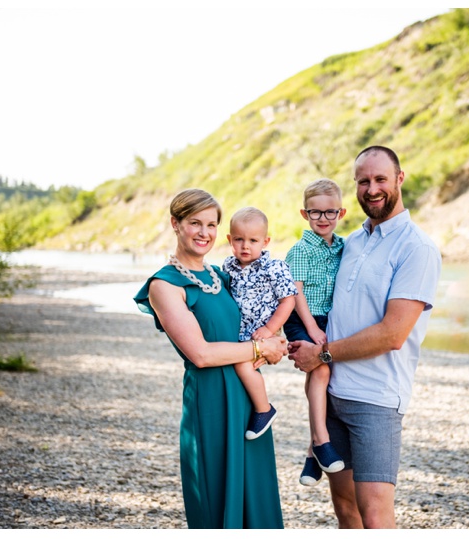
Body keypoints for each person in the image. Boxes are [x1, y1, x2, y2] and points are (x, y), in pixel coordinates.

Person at [288, 147, 442, 529]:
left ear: (399, 179)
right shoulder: (350, 241)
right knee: (345, 507)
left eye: (380, 179)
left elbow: (392, 334)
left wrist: (320, 355)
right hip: (332, 394)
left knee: (374, 514)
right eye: (363, 181)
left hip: (376, 398)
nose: (371, 189)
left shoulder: (416, 248)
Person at [133, 189, 286, 529]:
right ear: (175, 224)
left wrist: (278, 338)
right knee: (215, 501)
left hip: (249, 402)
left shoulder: (225, 275)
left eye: (212, 224)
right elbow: (200, 354)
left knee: (256, 498)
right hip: (211, 402)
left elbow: (269, 305)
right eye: (195, 223)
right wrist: (262, 349)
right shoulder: (165, 285)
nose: (204, 233)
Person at [283, 178, 347, 486]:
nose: (323, 219)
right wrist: (311, 327)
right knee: (320, 371)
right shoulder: (300, 251)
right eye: (315, 213)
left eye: (329, 212)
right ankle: (321, 442)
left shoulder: (342, 246)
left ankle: (312, 457)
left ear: (341, 213)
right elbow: (296, 294)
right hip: (301, 318)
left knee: (320, 375)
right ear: (304, 214)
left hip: (327, 320)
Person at [222, 206, 297, 440]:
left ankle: (264, 409)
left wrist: (270, 329)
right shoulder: (228, 267)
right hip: (239, 333)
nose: (246, 246)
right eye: (239, 239)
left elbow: (288, 301)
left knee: (242, 366)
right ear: (229, 240)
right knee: (234, 367)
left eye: (253, 240)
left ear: (265, 241)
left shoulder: (274, 268)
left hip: (261, 333)